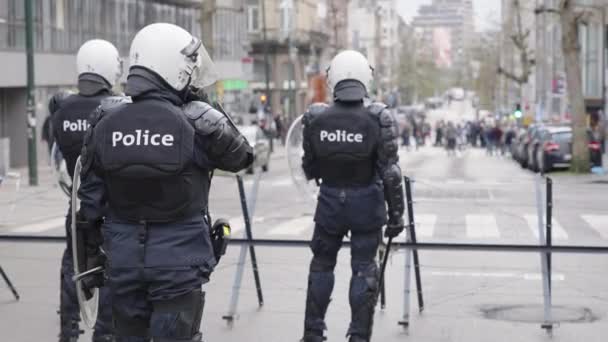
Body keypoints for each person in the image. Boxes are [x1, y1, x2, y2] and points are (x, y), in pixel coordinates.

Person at [76, 23, 253, 341]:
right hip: (178, 261)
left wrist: (92, 256)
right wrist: (207, 106)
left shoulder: (105, 120)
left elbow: (88, 200)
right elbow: (242, 158)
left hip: (123, 258)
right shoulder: (197, 121)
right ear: (175, 69)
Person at [300, 50, 405, 342]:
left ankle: (312, 332)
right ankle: (358, 336)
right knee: (363, 270)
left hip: (330, 202)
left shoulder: (316, 116)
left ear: (333, 79)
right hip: (366, 204)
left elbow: (309, 166)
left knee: (321, 266)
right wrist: (397, 215)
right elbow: (391, 174)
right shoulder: (378, 116)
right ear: (365, 79)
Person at [50, 39, 123, 342]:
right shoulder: (115, 109)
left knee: (73, 264)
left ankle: (68, 330)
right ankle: (103, 334)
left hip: (76, 204)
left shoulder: (61, 110)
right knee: (109, 269)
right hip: (110, 206)